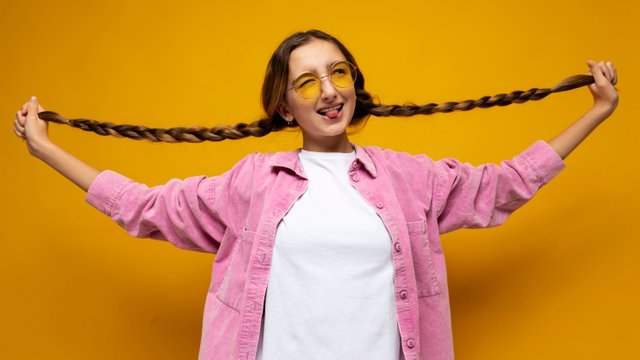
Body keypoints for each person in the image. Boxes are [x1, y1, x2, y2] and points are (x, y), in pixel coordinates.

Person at [13, 30, 618, 360]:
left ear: (355, 85)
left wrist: (596, 113)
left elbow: (504, 185)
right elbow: (147, 208)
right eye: (308, 81)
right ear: (285, 104)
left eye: (340, 73)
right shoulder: (253, 183)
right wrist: (47, 151)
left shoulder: (409, 179)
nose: (329, 91)